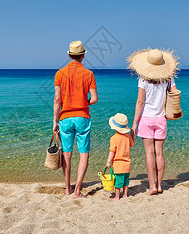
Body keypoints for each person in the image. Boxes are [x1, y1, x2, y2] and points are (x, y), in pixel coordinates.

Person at [127, 48, 180, 195]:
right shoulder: (168, 78)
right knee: (159, 153)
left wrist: (134, 124)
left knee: (149, 153)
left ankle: (152, 186)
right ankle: (160, 185)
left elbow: (140, 102)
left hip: (146, 119)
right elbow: (175, 93)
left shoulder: (143, 79)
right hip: (161, 119)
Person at [53, 40, 98, 198]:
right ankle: (77, 191)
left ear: (70, 55)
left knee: (66, 154)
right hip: (82, 117)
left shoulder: (60, 73)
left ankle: (67, 189)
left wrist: (54, 120)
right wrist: (82, 102)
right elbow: (94, 99)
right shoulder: (88, 74)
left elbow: (57, 99)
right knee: (83, 154)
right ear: (83, 56)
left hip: (65, 117)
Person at [106, 113, 135, 201]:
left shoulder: (114, 138)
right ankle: (125, 195)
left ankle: (117, 196)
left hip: (119, 165)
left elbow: (112, 151)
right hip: (127, 164)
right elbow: (132, 144)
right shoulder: (128, 136)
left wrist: (108, 161)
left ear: (114, 127)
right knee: (126, 182)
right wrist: (132, 134)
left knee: (118, 183)